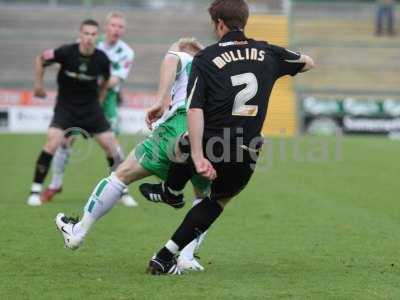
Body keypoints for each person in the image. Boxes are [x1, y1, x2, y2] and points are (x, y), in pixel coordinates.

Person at [140, 0, 315, 275]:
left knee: (183, 143)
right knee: (216, 201)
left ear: (219, 24)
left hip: (211, 141)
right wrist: (277, 61)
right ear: (244, 22)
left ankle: (171, 191)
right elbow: (307, 63)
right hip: (245, 149)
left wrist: (198, 156)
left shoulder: (206, 58)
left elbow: (195, 108)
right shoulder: (268, 52)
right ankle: (164, 256)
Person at [54, 38, 210, 271]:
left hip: (178, 128)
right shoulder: (213, 69)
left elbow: (171, 58)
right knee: (205, 198)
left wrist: (159, 101)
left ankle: (78, 232)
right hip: (207, 135)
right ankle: (186, 256)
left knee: (120, 175)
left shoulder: (185, 58)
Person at [42, 12, 137, 207]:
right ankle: (55, 183)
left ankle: (122, 188)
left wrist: (90, 79)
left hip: (107, 98)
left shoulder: (126, 52)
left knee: (112, 145)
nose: (116, 30)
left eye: (120, 27)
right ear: (106, 26)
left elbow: (114, 80)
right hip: (80, 97)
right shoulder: (91, 40)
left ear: (123, 30)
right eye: (113, 25)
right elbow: (70, 61)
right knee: (66, 139)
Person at [27, 19, 121, 206]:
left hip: (90, 109)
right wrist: (38, 86)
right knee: (53, 141)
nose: (89, 37)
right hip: (66, 108)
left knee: (112, 147)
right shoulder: (65, 52)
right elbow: (40, 59)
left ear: (97, 36)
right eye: (86, 33)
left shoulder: (102, 59)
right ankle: (35, 190)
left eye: (93, 34)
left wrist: (100, 100)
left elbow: (105, 81)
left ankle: (121, 189)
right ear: (80, 34)